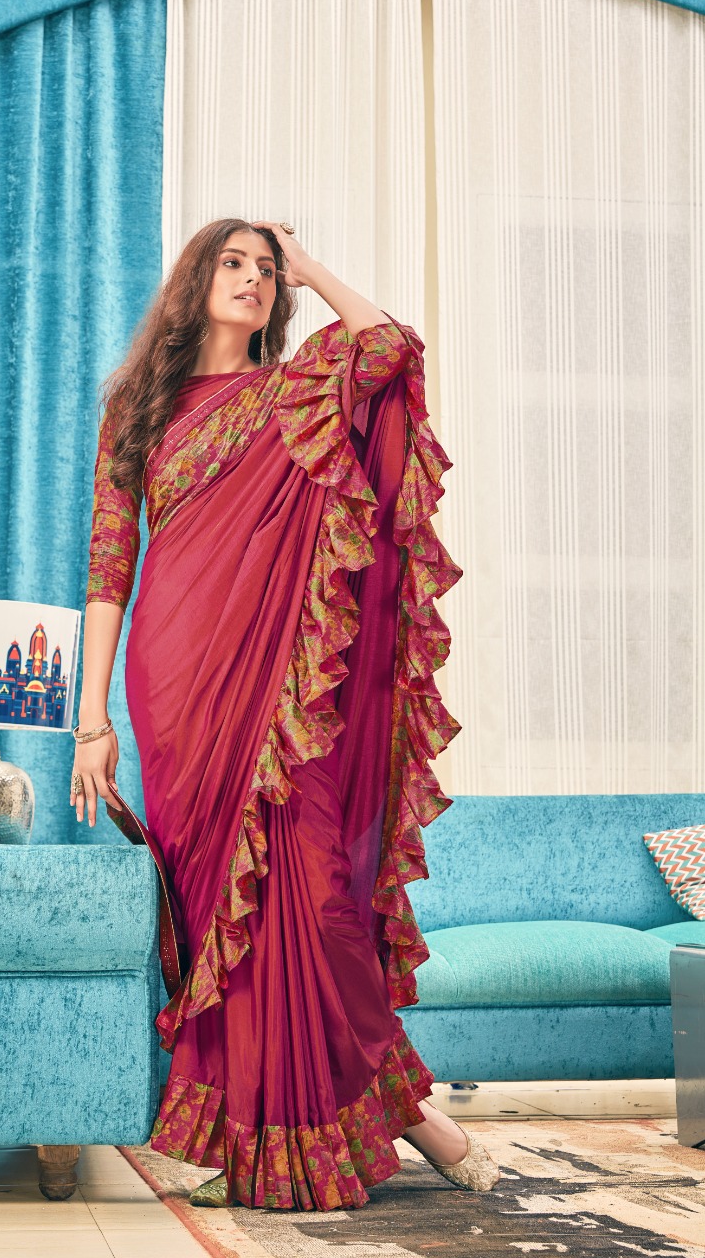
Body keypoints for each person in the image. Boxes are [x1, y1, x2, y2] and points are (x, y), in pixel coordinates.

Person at [71, 217, 500, 1211]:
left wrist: (310, 264)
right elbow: (108, 561)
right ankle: (241, 1139)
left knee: (311, 895)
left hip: (277, 682)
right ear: (193, 279)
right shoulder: (136, 407)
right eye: (233, 262)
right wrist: (90, 720)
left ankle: (409, 1112)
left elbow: (387, 346)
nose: (253, 279)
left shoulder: (290, 391)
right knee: (216, 911)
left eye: (267, 269)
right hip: (176, 682)